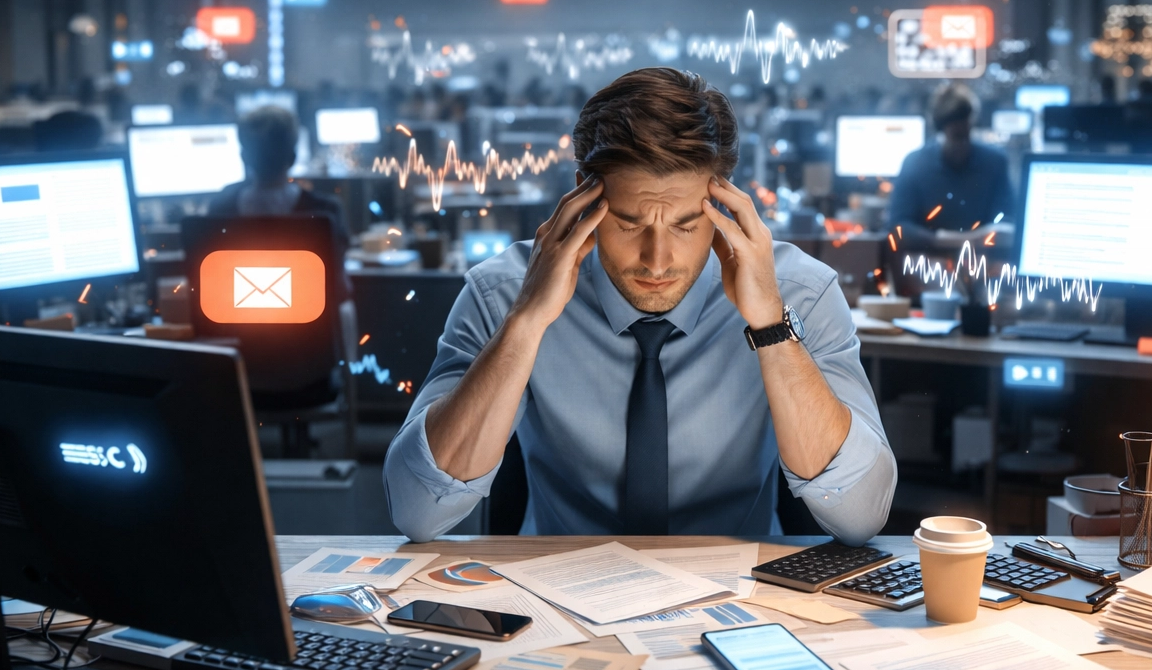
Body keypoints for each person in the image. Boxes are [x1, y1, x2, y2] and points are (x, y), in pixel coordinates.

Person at [383, 67, 895, 542]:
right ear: (583, 202)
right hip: (557, 594)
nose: (657, 260)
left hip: (743, 597)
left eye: (685, 225)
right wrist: (526, 322)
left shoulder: (801, 293)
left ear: (723, 205)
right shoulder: (504, 292)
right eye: (629, 224)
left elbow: (860, 517)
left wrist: (771, 329)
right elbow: (418, 513)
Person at [208, 105, 351, 298]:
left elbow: (211, 289)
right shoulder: (325, 211)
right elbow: (341, 289)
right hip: (309, 327)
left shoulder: (221, 209)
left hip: (238, 326)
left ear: (244, 158)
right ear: (292, 158)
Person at [885, 83, 1015, 248]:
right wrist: (950, 241)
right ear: (940, 129)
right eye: (956, 136)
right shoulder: (915, 164)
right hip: (929, 260)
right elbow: (898, 226)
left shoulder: (995, 162)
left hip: (982, 258)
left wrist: (975, 240)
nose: (961, 145)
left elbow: (1008, 221)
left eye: (966, 135)